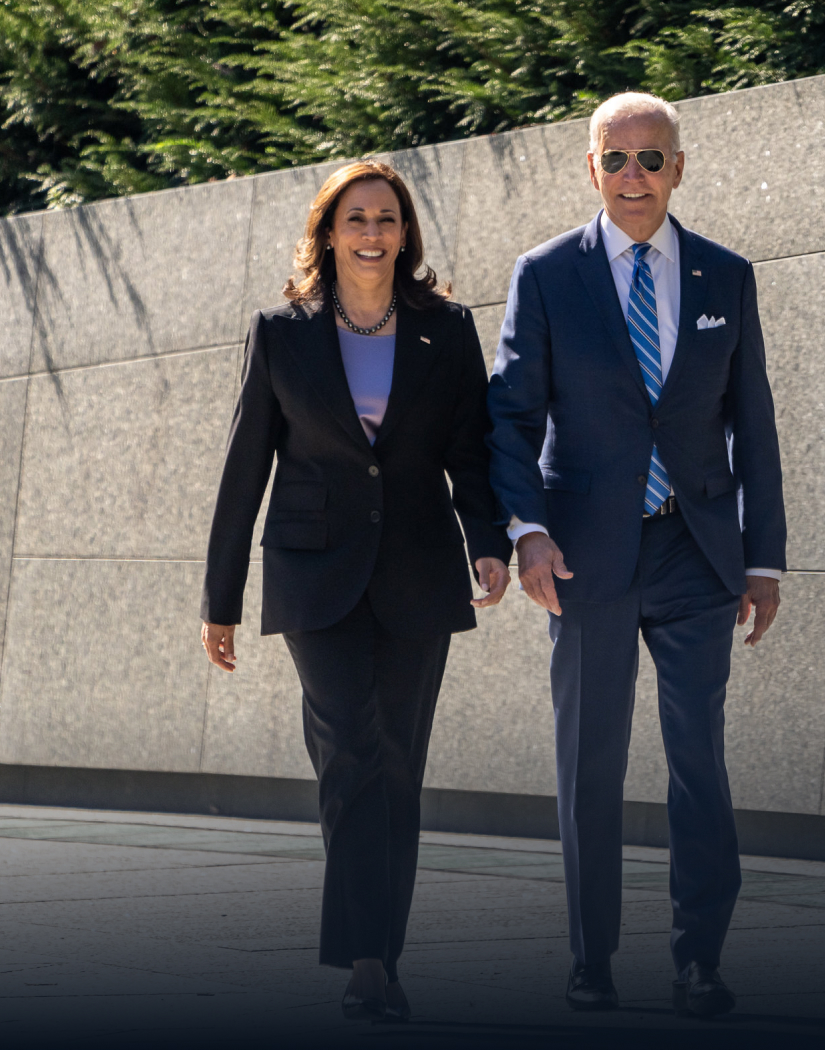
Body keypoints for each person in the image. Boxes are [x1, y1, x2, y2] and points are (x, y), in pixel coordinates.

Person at [486, 91, 785, 1019]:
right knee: (591, 761)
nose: (633, 176)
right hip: (584, 558)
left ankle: (700, 957)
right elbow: (509, 418)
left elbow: (756, 425)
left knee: (699, 757)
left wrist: (763, 558)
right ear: (591, 167)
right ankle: (592, 957)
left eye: (652, 160)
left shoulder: (725, 277)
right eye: (616, 159)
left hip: (697, 553)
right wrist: (526, 532)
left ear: (679, 169)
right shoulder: (545, 275)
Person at [200, 160, 513, 1022]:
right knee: (349, 749)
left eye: (386, 218)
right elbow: (244, 467)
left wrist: (488, 542)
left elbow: (471, 452)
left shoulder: (444, 329)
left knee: (398, 764)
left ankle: (379, 952)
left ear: (405, 233)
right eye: (355, 218)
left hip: (418, 568)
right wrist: (219, 597)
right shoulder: (282, 330)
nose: (372, 233)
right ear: (328, 232)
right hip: (314, 572)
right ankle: (367, 959)